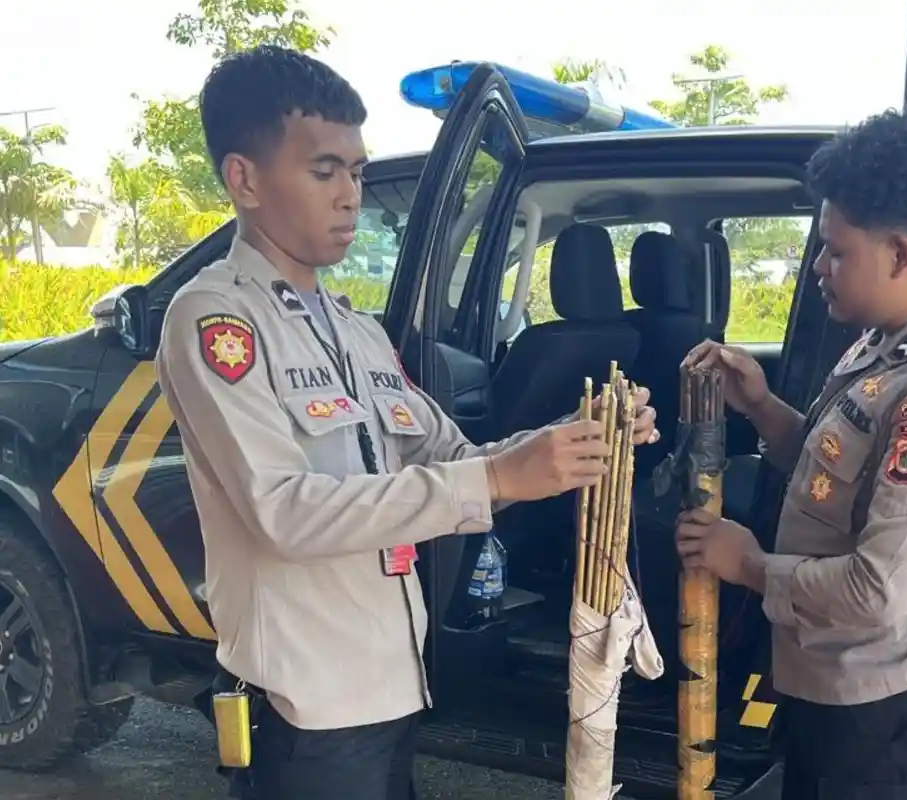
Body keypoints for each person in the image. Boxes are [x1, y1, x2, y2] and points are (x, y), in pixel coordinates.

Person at [154, 45, 659, 800]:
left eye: (357, 172)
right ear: (245, 179)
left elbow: (457, 457)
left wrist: (575, 439)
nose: (350, 195)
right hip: (308, 714)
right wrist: (494, 475)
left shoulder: (355, 332)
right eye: (324, 171)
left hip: (393, 689)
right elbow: (283, 512)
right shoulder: (217, 320)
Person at [675, 107, 907, 798]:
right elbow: (840, 474)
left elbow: (875, 591)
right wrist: (763, 405)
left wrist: (745, 564)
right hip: (835, 680)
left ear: (898, 254)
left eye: (836, 251)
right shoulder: (891, 339)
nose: (817, 268)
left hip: (881, 710)